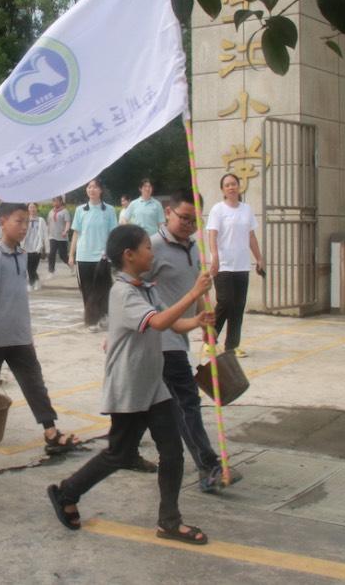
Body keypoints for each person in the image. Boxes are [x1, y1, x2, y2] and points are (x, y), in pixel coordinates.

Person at [47, 225, 213, 544]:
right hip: (128, 389)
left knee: (173, 452)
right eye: (147, 247)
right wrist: (194, 293)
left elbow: (173, 323)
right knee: (118, 454)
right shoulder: (123, 293)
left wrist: (197, 320)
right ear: (129, 255)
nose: (152, 252)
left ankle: (169, 521)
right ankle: (66, 492)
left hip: (153, 386)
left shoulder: (146, 288)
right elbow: (158, 322)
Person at [150, 189, 244, 492]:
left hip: (181, 338)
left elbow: (198, 290)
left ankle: (122, 452)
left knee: (156, 408)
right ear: (168, 212)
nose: (189, 225)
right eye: (183, 218)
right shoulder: (150, 249)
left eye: (194, 220)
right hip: (159, 340)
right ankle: (208, 466)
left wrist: (205, 321)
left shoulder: (193, 247)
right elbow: (130, 287)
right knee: (187, 402)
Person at [0, 202, 81, 455]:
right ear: (2, 222)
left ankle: (51, 431)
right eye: (18, 221)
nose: (23, 227)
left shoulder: (22, 255)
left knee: (34, 384)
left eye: (26, 222)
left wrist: (28, 334)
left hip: (20, 336)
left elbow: (18, 299)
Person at [206, 173, 265, 357]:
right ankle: (210, 340)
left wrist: (259, 258)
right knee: (226, 301)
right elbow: (212, 235)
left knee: (238, 306)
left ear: (239, 187)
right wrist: (214, 257)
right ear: (223, 189)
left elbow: (251, 236)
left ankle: (232, 345)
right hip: (223, 264)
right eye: (227, 185)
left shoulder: (246, 210)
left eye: (234, 184)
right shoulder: (218, 210)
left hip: (241, 265)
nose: (231, 187)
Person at [69, 178, 118, 332]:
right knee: (87, 289)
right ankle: (92, 320)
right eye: (89, 187)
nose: (92, 190)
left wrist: (112, 254)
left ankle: (103, 316)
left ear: (100, 190)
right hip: (83, 256)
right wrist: (71, 254)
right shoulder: (80, 210)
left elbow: (113, 234)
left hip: (102, 256)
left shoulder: (109, 210)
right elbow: (76, 234)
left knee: (103, 289)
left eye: (95, 187)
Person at [23, 202, 49, 291]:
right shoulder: (25, 220)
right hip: (26, 247)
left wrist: (47, 248)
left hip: (37, 247)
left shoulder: (41, 220)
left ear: (37, 209)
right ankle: (33, 282)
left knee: (33, 267)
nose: (32, 209)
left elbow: (45, 234)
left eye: (34, 207)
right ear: (28, 209)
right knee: (28, 267)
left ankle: (33, 282)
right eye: (30, 207)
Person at [46, 196, 71, 276]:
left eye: (57, 201)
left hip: (62, 237)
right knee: (51, 254)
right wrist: (47, 232)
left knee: (63, 255)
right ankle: (51, 271)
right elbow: (48, 223)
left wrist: (66, 230)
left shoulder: (65, 211)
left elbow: (67, 222)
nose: (55, 203)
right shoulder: (51, 212)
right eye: (54, 201)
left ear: (60, 202)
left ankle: (71, 266)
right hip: (52, 236)